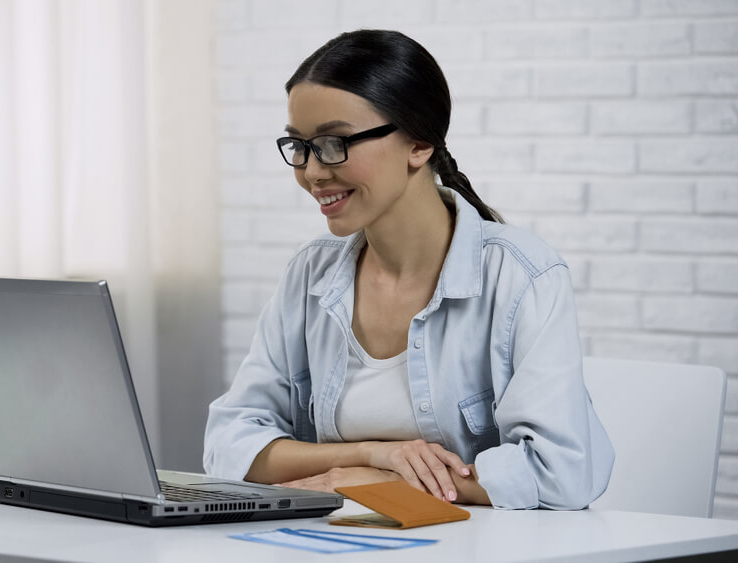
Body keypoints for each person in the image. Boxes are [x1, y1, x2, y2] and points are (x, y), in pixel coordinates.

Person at [203, 30, 614, 510]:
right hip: (334, 540)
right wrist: (365, 459)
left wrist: (370, 483)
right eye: (300, 145)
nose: (313, 171)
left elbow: (562, 471)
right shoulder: (309, 273)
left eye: (335, 143)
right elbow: (229, 442)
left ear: (418, 144)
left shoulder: (523, 277)